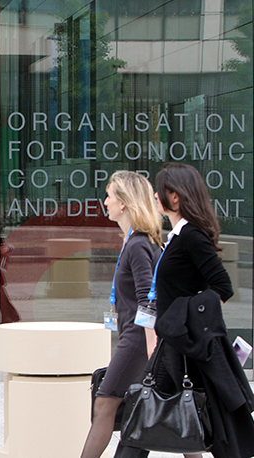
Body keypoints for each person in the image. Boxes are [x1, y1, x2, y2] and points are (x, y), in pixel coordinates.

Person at [123, 163, 254, 458]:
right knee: (147, 411)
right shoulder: (179, 236)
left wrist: (184, 316)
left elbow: (222, 286)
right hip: (175, 342)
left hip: (183, 343)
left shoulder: (192, 236)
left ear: (176, 197)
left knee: (154, 412)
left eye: (160, 191)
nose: (155, 196)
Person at [80, 171, 162, 458]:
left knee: (105, 404)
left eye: (110, 195)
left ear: (125, 203)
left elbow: (147, 298)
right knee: (138, 407)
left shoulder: (139, 243)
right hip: (135, 338)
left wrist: (150, 343)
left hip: (138, 340)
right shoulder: (135, 240)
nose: (105, 202)